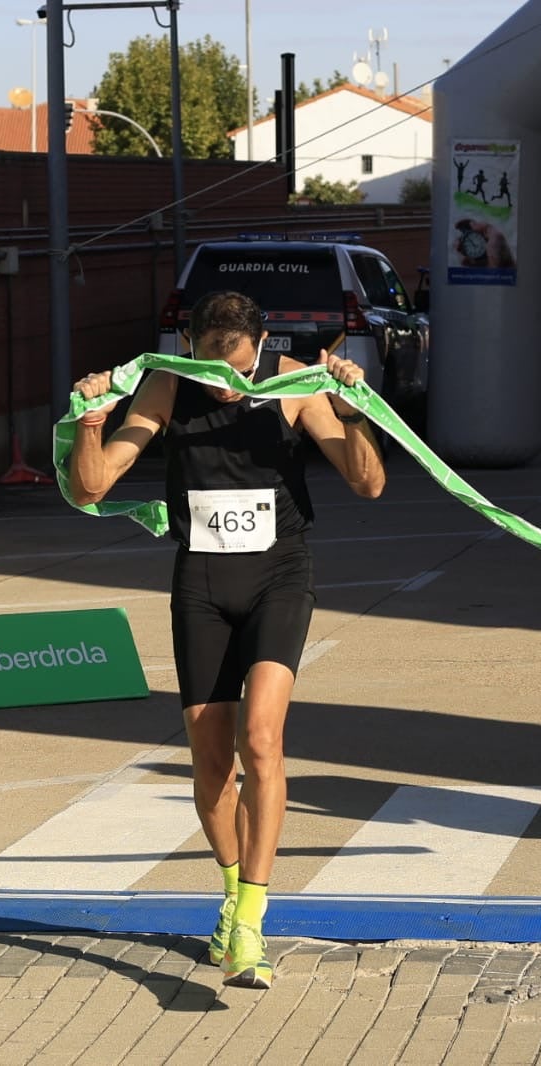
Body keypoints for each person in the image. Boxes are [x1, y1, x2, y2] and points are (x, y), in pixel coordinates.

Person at [68, 291, 386, 989]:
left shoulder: (297, 383)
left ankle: (251, 919)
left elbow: (368, 483)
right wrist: (91, 423)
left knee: (263, 740)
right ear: (187, 343)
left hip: (280, 574)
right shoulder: (167, 383)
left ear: (262, 343)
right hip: (202, 583)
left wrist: (356, 407)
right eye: (212, 367)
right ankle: (231, 888)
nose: (225, 383)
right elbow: (92, 488)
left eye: (238, 368)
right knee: (211, 759)